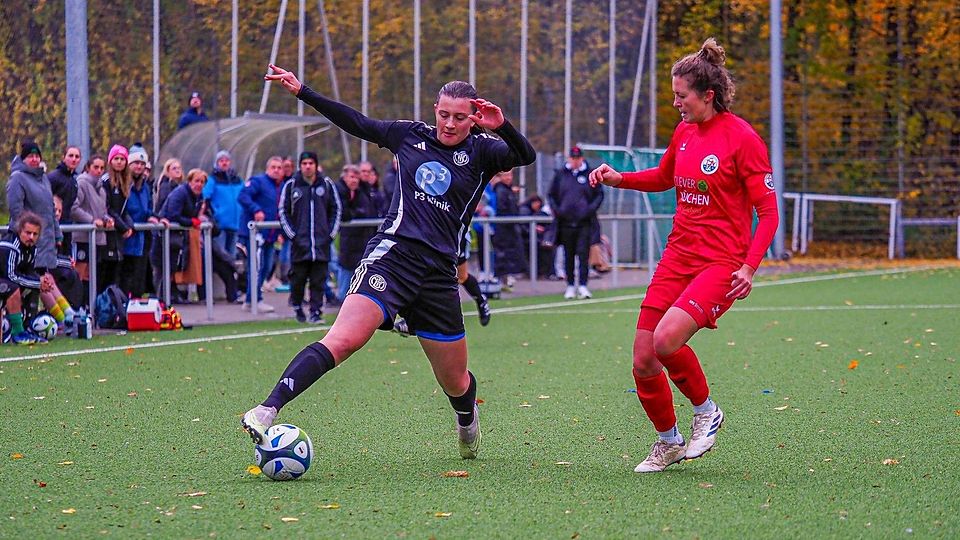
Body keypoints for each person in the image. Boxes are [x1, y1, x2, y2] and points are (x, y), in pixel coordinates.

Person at [242, 64, 535, 461]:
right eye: (444, 114)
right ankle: (266, 409)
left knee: (455, 380)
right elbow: (357, 122)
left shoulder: (484, 150)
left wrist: (502, 126)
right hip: (392, 257)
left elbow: (525, 156)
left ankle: (467, 419)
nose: (450, 124)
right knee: (342, 340)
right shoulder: (409, 135)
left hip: (438, 275)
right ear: (435, 109)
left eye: (460, 117)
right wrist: (303, 91)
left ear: (473, 117)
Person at [589, 38, 779, 473]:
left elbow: (768, 213)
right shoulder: (685, 132)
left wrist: (749, 267)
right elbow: (663, 176)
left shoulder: (743, 139)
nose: (675, 103)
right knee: (642, 357)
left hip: (721, 264)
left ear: (707, 95)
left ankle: (707, 410)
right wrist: (620, 179)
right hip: (678, 255)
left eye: (681, 96)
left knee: (665, 340)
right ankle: (668, 441)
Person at [159, 169, 241, 304]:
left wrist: (206, 220)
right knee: (201, 261)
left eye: (202, 182)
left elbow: (215, 229)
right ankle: (202, 297)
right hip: (179, 241)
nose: (199, 184)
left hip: (200, 240)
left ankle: (232, 295)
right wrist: (193, 222)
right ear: (190, 181)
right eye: (196, 181)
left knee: (223, 262)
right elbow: (173, 215)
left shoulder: (201, 198)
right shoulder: (180, 194)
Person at [278, 151, 341, 324]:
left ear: (316, 165)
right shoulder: (291, 186)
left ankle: (316, 312)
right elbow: (283, 212)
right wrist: (293, 235)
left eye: (310, 163)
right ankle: (297, 306)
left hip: (321, 244)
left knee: (318, 280)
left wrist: (330, 234)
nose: (307, 166)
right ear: (300, 166)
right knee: (297, 279)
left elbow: (336, 209)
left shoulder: (326, 184)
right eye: (304, 163)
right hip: (300, 244)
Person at [1, 212, 76, 343]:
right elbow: (11, 276)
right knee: (13, 288)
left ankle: (28, 327)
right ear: (20, 231)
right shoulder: (11, 247)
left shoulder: (32, 249)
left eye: (35, 234)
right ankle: (18, 333)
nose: (31, 237)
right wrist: (37, 282)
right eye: (27, 233)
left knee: (34, 285)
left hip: (6, 281)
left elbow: (29, 272)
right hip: (5, 280)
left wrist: (41, 281)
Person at [548, 145, 603, 300]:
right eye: (572, 158)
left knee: (583, 254)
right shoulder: (560, 175)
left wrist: (589, 210)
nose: (575, 161)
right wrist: (558, 210)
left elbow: (599, 195)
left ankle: (583, 285)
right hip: (565, 223)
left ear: (582, 159)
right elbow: (551, 195)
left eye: (577, 158)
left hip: (584, 222)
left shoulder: (590, 174)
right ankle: (570, 285)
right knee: (568, 254)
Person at [238, 156, 285, 313]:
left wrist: (279, 232)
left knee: (267, 267)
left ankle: (251, 299)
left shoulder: (282, 186)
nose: (276, 170)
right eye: (273, 167)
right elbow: (243, 196)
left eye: (279, 167)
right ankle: (254, 300)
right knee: (256, 267)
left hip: (270, 235)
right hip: (255, 234)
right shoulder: (258, 182)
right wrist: (256, 209)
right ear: (267, 168)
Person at [7, 138, 60, 277]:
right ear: (23, 159)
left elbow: (51, 209)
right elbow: (16, 210)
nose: (35, 159)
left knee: (45, 282)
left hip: (46, 241)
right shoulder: (17, 178)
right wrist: (28, 232)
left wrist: (58, 235)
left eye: (37, 156)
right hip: (28, 241)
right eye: (30, 156)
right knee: (31, 282)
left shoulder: (44, 179)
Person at [120, 144, 163, 297]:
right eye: (136, 163)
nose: (139, 167)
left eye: (142, 164)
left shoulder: (145, 187)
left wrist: (154, 217)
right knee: (124, 282)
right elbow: (120, 210)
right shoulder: (122, 184)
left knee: (138, 284)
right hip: (124, 243)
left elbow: (147, 209)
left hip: (141, 243)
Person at [71, 154, 110, 307]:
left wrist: (107, 219)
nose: (99, 171)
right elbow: (74, 208)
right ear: (88, 167)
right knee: (79, 274)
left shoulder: (101, 187)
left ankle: (88, 307)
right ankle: (75, 307)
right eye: (96, 167)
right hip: (83, 237)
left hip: (98, 237)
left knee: (90, 275)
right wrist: (91, 220)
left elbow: (101, 210)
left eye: (101, 168)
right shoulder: (81, 183)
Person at [101, 144, 135, 293]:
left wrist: (130, 226)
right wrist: (123, 227)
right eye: (116, 158)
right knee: (105, 272)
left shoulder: (126, 182)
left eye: (122, 159)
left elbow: (123, 210)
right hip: (107, 233)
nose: (119, 162)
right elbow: (108, 207)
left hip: (117, 235)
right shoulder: (105, 181)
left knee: (116, 271)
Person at [203, 150, 243, 259]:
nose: (224, 163)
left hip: (235, 223)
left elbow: (244, 196)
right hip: (220, 224)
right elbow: (205, 197)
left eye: (226, 160)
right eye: (221, 160)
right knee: (221, 255)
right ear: (217, 163)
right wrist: (214, 214)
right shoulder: (213, 179)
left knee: (232, 255)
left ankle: (230, 275)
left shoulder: (237, 180)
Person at [491, 168, 526, 282]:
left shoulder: (507, 190)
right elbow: (502, 208)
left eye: (510, 175)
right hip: (504, 227)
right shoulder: (501, 190)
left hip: (509, 226)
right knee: (503, 253)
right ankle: (502, 278)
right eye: (506, 175)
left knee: (510, 252)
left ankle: (506, 278)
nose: (509, 178)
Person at [47, 146, 83, 255]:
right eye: (70, 156)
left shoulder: (74, 180)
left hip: (67, 228)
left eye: (77, 156)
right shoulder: (53, 177)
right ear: (64, 157)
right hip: (53, 229)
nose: (74, 159)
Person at [519, 193, 556, 279]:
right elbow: (524, 227)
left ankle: (545, 272)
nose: (537, 206)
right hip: (527, 239)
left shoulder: (539, 212)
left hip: (534, 237)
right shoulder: (525, 211)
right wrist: (534, 228)